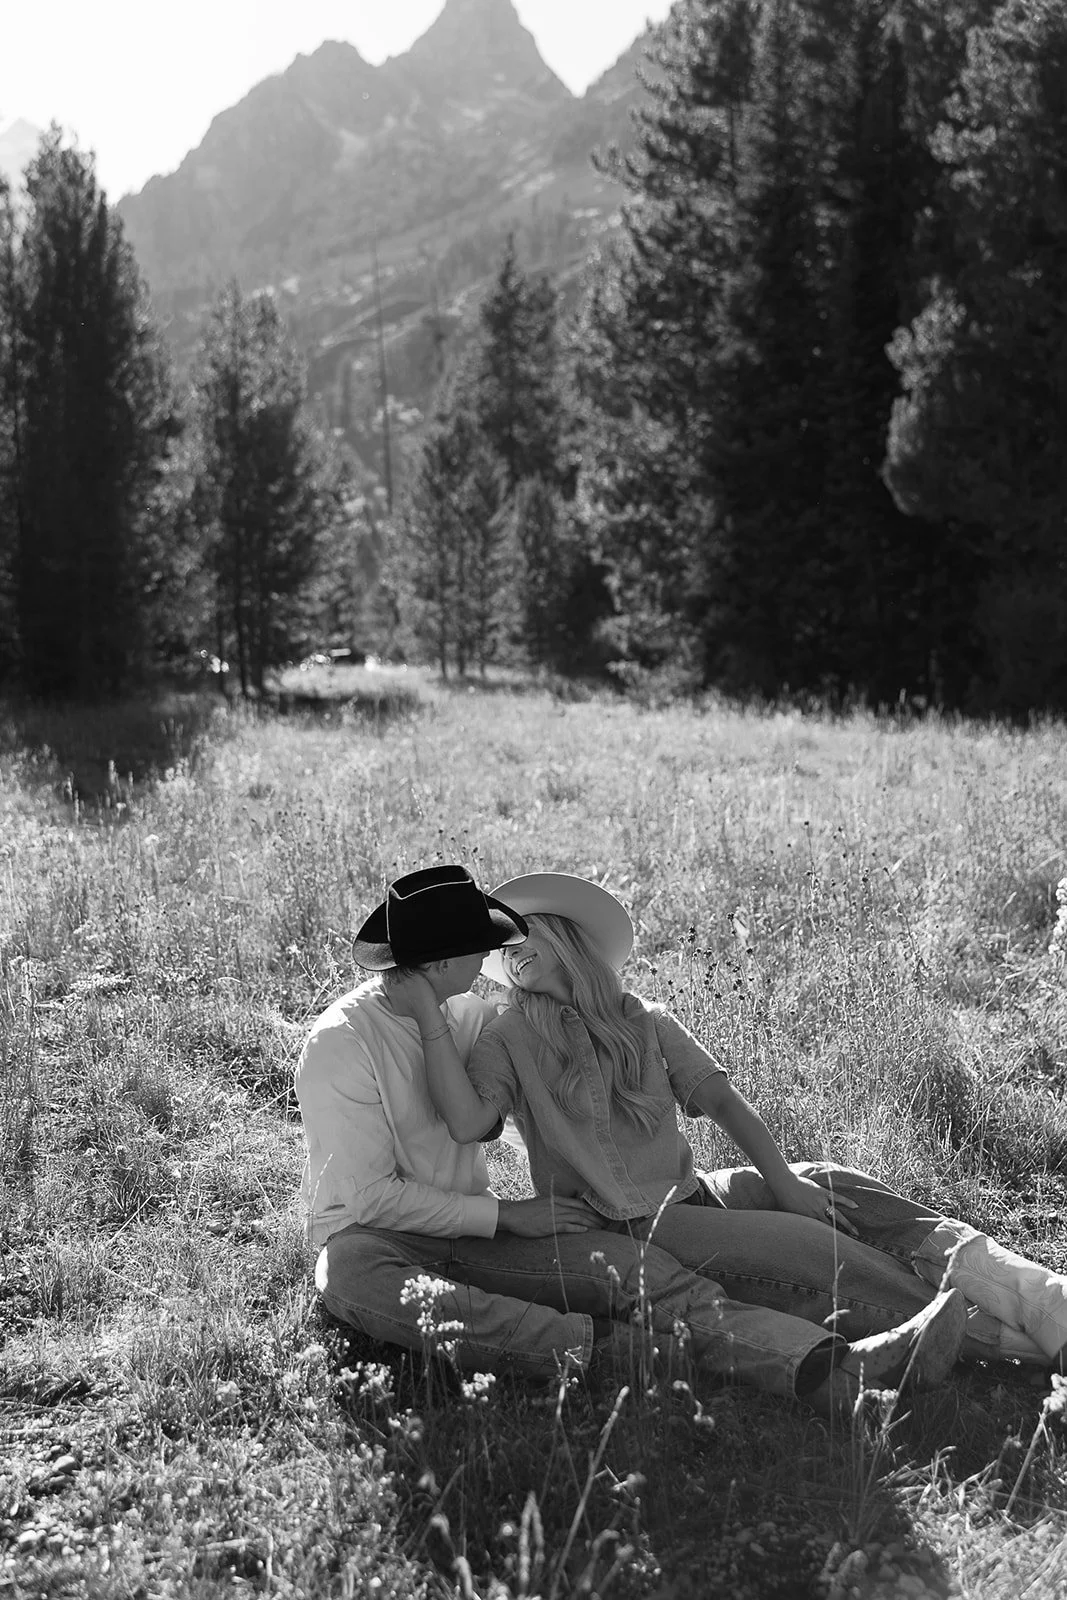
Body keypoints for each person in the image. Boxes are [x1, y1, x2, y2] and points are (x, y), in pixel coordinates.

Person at [295, 864, 968, 1417]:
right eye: (481, 946)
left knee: (639, 1271)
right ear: (443, 959)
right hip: (384, 1237)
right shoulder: (342, 1044)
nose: (491, 959)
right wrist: (504, 1214)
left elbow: (489, 1104)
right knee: (347, 1272)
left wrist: (502, 1216)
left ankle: (846, 1357)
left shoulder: (468, 1013)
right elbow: (368, 1199)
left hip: (487, 1234)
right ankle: (603, 1351)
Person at [421, 872, 1067, 1374]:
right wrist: (425, 1012)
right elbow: (468, 1119)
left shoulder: (642, 1018)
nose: (511, 952)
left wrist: (783, 1181)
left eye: (522, 932)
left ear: (564, 936)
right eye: (503, 945)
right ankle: (1005, 1342)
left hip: (694, 1191)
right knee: (822, 1254)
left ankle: (1039, 1297)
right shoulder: (506, 1038)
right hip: (633, 1230)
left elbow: (723, 1103)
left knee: (833, 1184)